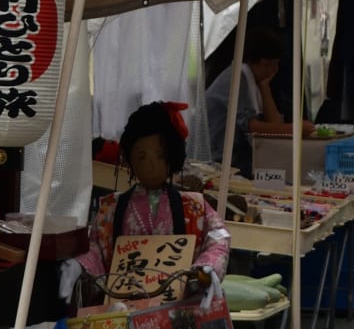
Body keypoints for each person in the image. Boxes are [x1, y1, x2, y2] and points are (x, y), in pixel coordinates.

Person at [66, 101, 230, 301]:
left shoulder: (194, 205)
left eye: (160, 156)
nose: (151, 165)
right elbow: (96, 248)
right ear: (130, 159)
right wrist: (80, 264)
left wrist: (208, 266)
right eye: (142, 157)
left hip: (178, 305)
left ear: (172, 156)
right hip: (124, 304)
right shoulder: (112, 208)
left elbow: (218, 236)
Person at [205, 28, 286, 177]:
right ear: (253, 62)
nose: (273, 70)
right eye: (268, 65)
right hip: (220, 158)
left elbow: (274, 123)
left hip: (238, 154)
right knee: (281, 175)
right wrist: (295, 130)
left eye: (276, 64)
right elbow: (252, 126)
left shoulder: (254, 82)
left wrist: (265, 87)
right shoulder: (237, 79)